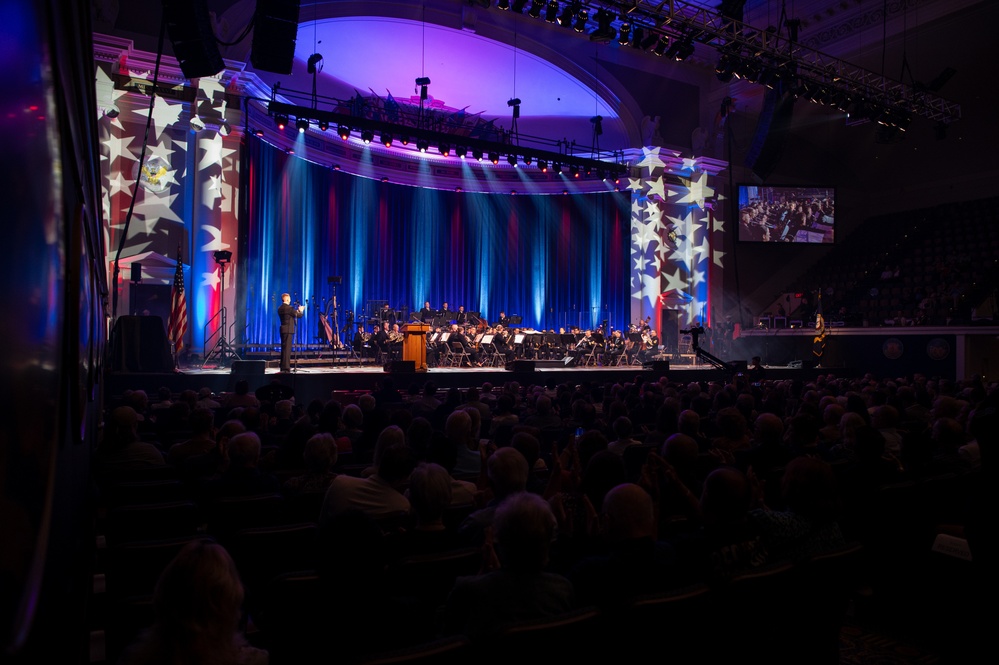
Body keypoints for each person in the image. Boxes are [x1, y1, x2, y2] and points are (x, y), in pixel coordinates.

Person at [278, 293, 304, 373]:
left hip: (283, 329)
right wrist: (301, 310)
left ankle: (282, 367)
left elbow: (291, 314)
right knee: (287, 350)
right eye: (289, 298)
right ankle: (286, 368)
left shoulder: (280, 308)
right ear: (287, 299)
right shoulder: (289, 308)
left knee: (283, 349)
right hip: (288, 330)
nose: (290, 300)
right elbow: (298, 315)